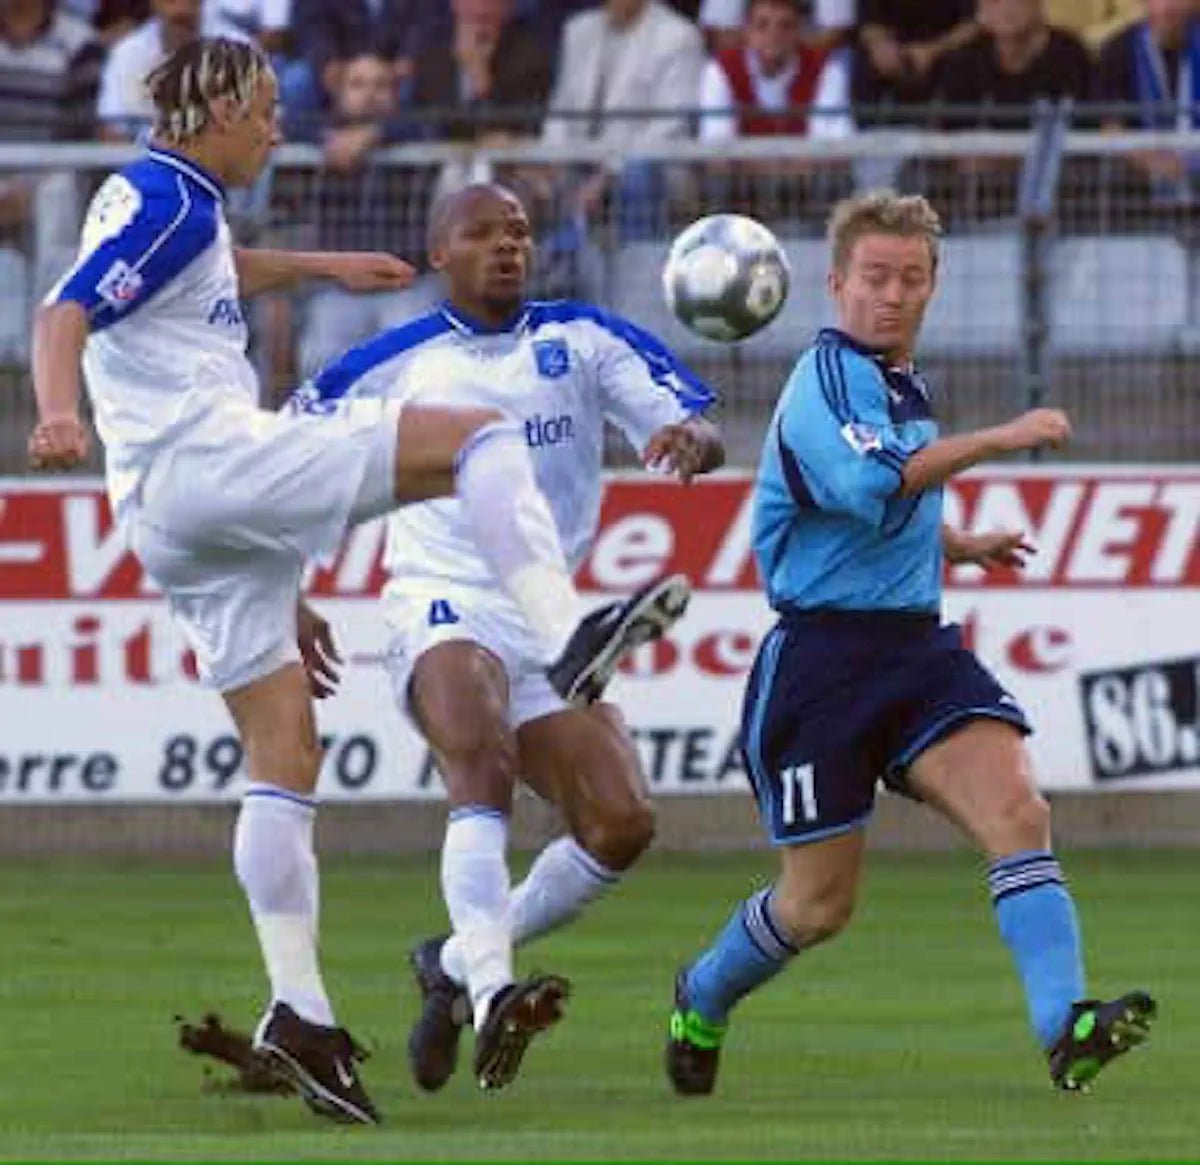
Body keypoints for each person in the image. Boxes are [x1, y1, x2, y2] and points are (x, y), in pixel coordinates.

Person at [27, 37, 693, 1126]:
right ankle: (563, 636)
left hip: (168, 511)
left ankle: (299, 1014)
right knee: (479, 438)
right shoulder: (172, 202)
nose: (278, 128)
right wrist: (56, 407)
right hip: (210, 458)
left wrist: (324, 269)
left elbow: (201, 275)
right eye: (265, 113)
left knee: (284, 750)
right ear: (218, 114)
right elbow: (63, 311)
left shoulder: (157, 195)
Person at [664, 190, 1157, 1098]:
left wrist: (955, 544)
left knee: (1018, 812)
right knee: (818, 906)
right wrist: (1006, 437)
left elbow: (863, 511)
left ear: (932, 287)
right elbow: (875, 480)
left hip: (915, 651)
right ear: (835, 282)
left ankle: (1066, 1026)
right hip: (819, 665)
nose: (891, 295)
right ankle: (700, 994)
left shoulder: (894, 382)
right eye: (874, 278)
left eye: (910, 279)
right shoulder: (824, 377)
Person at [288, 181, 724, 1093]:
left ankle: (449, 962)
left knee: (621, 821)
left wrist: (689, 440)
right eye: (481, 232)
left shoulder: (584, 339)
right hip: (440, 603)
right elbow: (282, 464)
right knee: (478, 761)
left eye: (520, 230)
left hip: (546, 621)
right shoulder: (392, 361)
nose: (506, 246)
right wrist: (286, 585)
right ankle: (492, 992)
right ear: (439, 254)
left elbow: (690, 423)